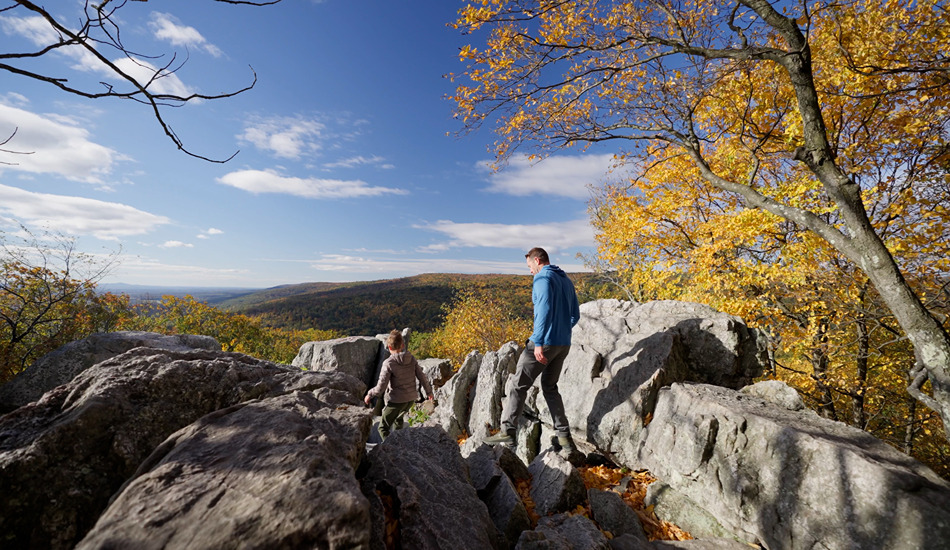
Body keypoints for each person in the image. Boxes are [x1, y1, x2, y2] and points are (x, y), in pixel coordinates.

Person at [485, 247, 581, 450]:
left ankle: (507, 432)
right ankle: (564, 438)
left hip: (544, 343)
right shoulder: (566, 280)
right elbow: (575, 315)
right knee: (550, 387)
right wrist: (561, 331)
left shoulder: (542, 279)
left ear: (537, 260)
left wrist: (538, 342)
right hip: (563, 344)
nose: (529, 271)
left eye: (530, 266)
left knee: (518, 385)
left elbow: (543, 311)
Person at [364, 329, 434, 441]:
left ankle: (390, 450)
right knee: (398, 421)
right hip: (410, 399)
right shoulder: (411, 359)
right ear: (402, 345)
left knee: (382, 428)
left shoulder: (389, 363)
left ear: (389, 348)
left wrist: (369, 394)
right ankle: (401, 446)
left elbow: (381, 388)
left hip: (396, 401)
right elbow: (422, 377)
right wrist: (429, 392)